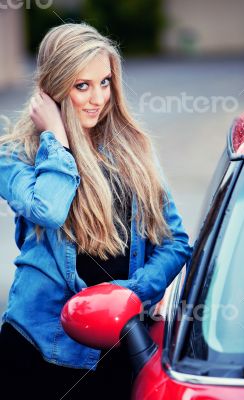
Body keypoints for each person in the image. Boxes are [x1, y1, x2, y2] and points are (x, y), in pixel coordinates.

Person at [0, 22, 192, 399]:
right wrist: (56, 139)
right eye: (81, 85)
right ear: (52, 89)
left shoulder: (133, 150)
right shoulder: (15, 156)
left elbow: (176, 243)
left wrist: (130, 294)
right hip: (40, 350)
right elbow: (50, 209)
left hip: (120, 344)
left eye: (104, 82)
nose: (98, 98)